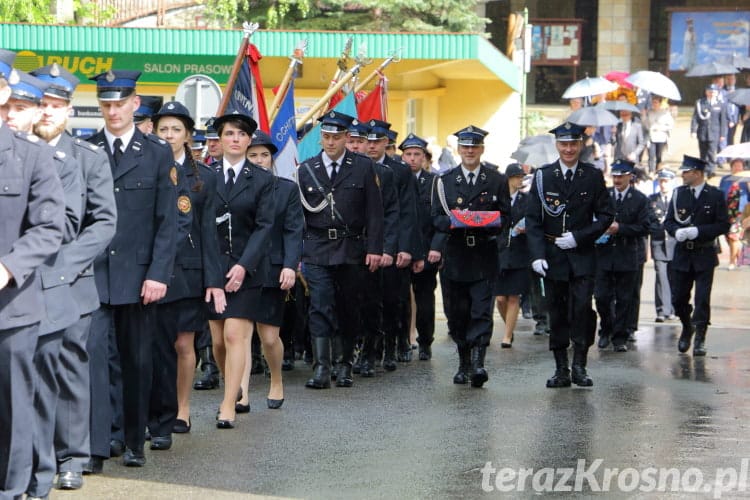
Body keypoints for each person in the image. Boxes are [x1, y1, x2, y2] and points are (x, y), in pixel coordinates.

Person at [27, 62, 117, 492]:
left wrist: (63, 268)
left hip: (68, 283)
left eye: (57, 105)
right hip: (18, 282)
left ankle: (71, 456)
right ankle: (26, 453)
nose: (48, 112)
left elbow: (103, 223)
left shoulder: (87, 158)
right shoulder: (16, 151)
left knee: (67, 371)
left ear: (68, 111)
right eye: (42, 103)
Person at [86, 69, 177, 468]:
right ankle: (100, 441)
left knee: (138, 361)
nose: (113, 111)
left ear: (135, 104)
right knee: (96, 360)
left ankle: (134, 440)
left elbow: (167, 221)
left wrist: (158, 273)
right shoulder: (86, 150)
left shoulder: (156, 153)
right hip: (95, 276)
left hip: (141, 278)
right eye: (106, 104)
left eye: (120, 103)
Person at [0, 53, 66, 500]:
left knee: (12, 407)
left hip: (11, 307)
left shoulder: (31, 157)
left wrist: (7, 266)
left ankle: (10, 489)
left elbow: (49, 227)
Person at [149, 101, 225, 445]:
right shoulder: (148, 168)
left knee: (183, 343)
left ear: (188, 135)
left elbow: (209, 233)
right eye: (163, 129)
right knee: (154, 345)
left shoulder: (204, 177)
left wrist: (214, 281)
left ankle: (181, 408)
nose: (168, 136)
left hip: (189, 271)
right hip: (151, 272)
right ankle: (154, 410)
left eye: (175, 130)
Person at [297, 110, 383, 389]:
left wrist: (374, 248)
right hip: (318, 248)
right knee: (320, 306)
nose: (330, 142)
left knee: (348, 307)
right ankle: (321, 368)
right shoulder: (307, 168)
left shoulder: (362, 167)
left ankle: (344, 364)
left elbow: (374, 212)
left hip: (351, 247)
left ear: (347, 137)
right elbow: (299, 217)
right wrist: (298, 254)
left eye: (336, 137)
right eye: (326, 136)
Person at [525, 122, 614, 388]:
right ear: (557, 145)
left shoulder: (592, 175)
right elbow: (533, 219)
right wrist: (537, 254)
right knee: (558, 312)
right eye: (564, 144)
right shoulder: (544, 176)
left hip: (582, 255)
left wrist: (580, 236)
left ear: (580, 145)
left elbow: (607, 215)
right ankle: (561, 367)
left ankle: (580, 366)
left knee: (582, 311)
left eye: (573, 143)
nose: (568, 149)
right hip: (553, 255)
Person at [431, 125, 510, 388]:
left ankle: (478, 363)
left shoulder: (496, 180)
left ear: (481, 149)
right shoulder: (444, 181)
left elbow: (506, 215)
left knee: (481, 310)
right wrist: (455, 221)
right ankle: (463, 361)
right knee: (457, 313)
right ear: (459, 149)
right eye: (465, 147)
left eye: (474, 147)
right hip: (455, 254)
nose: (470, 152)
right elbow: (436, 217)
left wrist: (494, 230)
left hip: (484, 254)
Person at [208, 111, 274, 427]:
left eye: (241, 135)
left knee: (236, 334)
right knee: (218, 341)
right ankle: (231, 386)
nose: (235, 139)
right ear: (219, 140)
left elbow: (264, 227)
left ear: (249, 140)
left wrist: (244, 266)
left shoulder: (262, 179)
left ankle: (227, 405)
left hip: (247, 270)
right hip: (212, 269)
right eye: (229, 134)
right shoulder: (205, 177)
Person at [235, 130, 302, 409]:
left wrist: (289, 266)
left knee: (269, 337)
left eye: (265, 155)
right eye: (254, 155)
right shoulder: (235, 187)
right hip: (240, 270)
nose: (260, 160)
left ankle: (276, 379)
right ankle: (240, 393)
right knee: (240, 334)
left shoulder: (285, 189)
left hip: (273, 269)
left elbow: (293, 230)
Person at [365, 119, 421, 367]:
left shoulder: (399, 170)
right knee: (369, 301)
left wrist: (405, 248)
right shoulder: (358, 167)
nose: (372, 145)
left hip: (393, 244)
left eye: (377, 141)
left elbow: (407, 212)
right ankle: (372, 350)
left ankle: (393, 346)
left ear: (386, 142)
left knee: (393, 299)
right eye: (369, 140)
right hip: (366, 246)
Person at [346, 118, 398, 377]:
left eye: (360, 141)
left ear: (368, 143)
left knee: (370, 302)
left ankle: (369, 352)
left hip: (371, 247)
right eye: (352, 141)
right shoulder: (337, 169)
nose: (355, 146)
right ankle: (345, 353)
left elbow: (389, 214)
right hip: (344, 247)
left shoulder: (383, 174)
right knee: (345, 303)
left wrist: (385, 248)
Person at [664, 155, 730, 357]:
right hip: (683, 253)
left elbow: (723, 225)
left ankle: (700, 336)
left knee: (702, 299)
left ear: (698, 173)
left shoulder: (715, 195)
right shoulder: (679, 193)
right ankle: (687, 326)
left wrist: (699, 232)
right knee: (678, 298)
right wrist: (676, 232)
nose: (683, 174)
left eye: (687, 171)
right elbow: (668, 222)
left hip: (704, 252)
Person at [593, 160, 650, 352]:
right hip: (604, 254)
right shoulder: (603, 196)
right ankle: (606, 329)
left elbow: (645, 227)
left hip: (627, 254)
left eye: (621, 176)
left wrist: (621, 228)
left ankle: (620, 336)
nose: (617, 179)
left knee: (625, 298)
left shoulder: (639, 199)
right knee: (601, 296)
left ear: (630, 176)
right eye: (614, 176)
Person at [399, 133, 438, 360]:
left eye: (417, 154)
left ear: (424, 158)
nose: (412, 159)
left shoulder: (434, 183)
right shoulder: (397, 179)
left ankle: (425, 342)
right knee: (401, 300)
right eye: (408, 154)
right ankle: (404, 340)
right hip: (402, 251)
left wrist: (427, 253)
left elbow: (435, 221)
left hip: (425, 251)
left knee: (425, 301)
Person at [495, 163, 529, 349]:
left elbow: (535, 220)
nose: (520, 180)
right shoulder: (498, 199)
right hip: (499, 251)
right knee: (500, 298)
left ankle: (507, 336)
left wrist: (527, 228)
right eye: (516, 177)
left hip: (519, 251)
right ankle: (510, 325)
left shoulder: (527, 199)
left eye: (521, 177)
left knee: (514, 296)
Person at [649, 169, 677, 322]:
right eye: (661, 181)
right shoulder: (652, 200)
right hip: (659, 242)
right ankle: (661, 310)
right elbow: (649, 220)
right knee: (661, 276)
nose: (663, 184)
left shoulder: (677, 199)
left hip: (674, 243)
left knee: (674, 277)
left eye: (666, 181)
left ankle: (672, 308)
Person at [691, 85, 727, 178]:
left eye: (714, 92)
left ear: (717, 93)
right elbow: (695, 118)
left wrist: (723, 134)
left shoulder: (720, 104)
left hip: (714, 133)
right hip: (702, 132)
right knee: (703, 153)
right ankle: (703, 170)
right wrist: (693, 131)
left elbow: (723, 120)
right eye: (710, 91)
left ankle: (711, 170)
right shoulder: (700, 103)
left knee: (711, 152)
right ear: (706, 92)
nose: (711, 93)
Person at [720, 158, 750, 270]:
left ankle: (732, 261)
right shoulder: (725, 179)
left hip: (740, 213)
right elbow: (720, 193)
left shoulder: (747, 179)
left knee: (733, 237)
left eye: (740, 165)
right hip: (726, 212)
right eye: (735, 165)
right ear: (731, 167)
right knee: (728, 237)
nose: (738, 168)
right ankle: (737, 256)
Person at [643, 95, 674, 175]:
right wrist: (643, 116)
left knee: (659, 155)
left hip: (661, 137)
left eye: (656, 102)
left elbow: (670, 125)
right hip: (651, 137)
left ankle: (658, 170)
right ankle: (651, 171)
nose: (654, 104)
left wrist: (661, 128)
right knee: (651, 155)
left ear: (660, 103)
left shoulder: (665, 113)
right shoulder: (649, 112)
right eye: (653, 102)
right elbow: (646, 125)